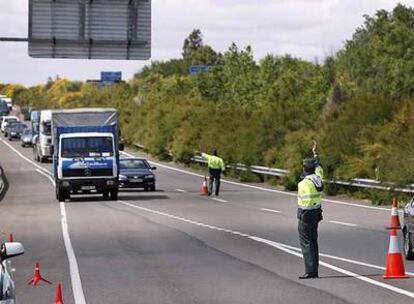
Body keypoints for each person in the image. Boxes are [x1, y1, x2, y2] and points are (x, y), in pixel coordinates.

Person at [297, 158, 324, 279]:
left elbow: (305, 201)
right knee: (313, 242)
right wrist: (316, 156)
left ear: (304, 169)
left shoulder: (303, 183)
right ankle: (314, 269)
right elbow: (320, 170)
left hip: (306, 214)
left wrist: (302, 215)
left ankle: (310, 271)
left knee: (306, 243)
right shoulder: (318, 179)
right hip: (316, 213)